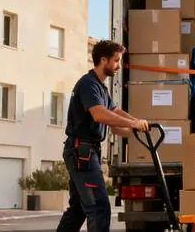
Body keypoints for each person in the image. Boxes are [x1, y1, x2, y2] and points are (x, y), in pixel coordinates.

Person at [56, 40, 150, 232]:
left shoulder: (100, 88)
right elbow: (100, 114)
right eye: (116, 61)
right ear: (103, 60)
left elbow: (115, 113)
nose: (118, 65)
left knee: (78, 210)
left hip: (87, 151)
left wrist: (137, 123)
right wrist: (133, 124)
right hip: (82, 152)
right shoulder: (88, 84)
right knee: (99, 207)